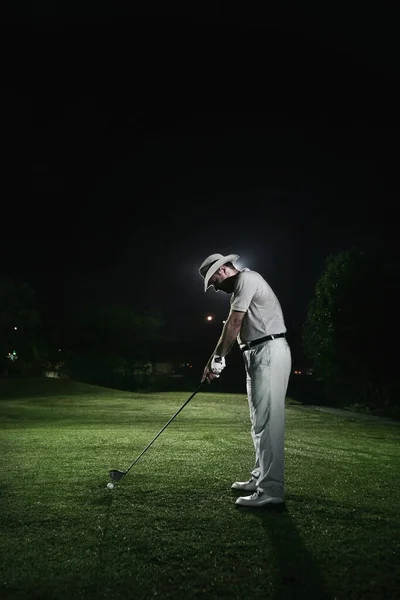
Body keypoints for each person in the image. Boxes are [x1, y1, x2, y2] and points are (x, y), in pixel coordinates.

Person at [199, 253, 292, 507]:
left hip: (269, 352)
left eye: (214, 280)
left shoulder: (247, 279)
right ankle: (261, 476)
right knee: (259, 422)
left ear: (225, 269)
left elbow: (234, 323)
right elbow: (232, 326)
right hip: (256, 354)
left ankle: (271, 490)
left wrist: (218, 358)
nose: (215, 288)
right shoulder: (239, 288)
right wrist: (214, 360)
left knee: (268, 423)